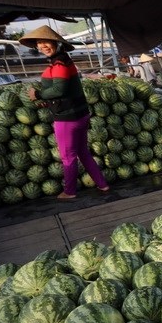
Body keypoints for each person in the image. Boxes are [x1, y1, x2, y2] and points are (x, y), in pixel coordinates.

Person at [21, 25, 109, 200]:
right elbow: (67, 92)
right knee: (83, 152)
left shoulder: (60, 63)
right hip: (79, 114)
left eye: (46, 41)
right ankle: (102, 184)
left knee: (68, 157)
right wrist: (47, 104)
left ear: (55, 43)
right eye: (39, 42)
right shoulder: (63, 61)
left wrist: (37, 94)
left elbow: (59, 89)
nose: (42, 46)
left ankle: (69, 192)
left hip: (67, 119)